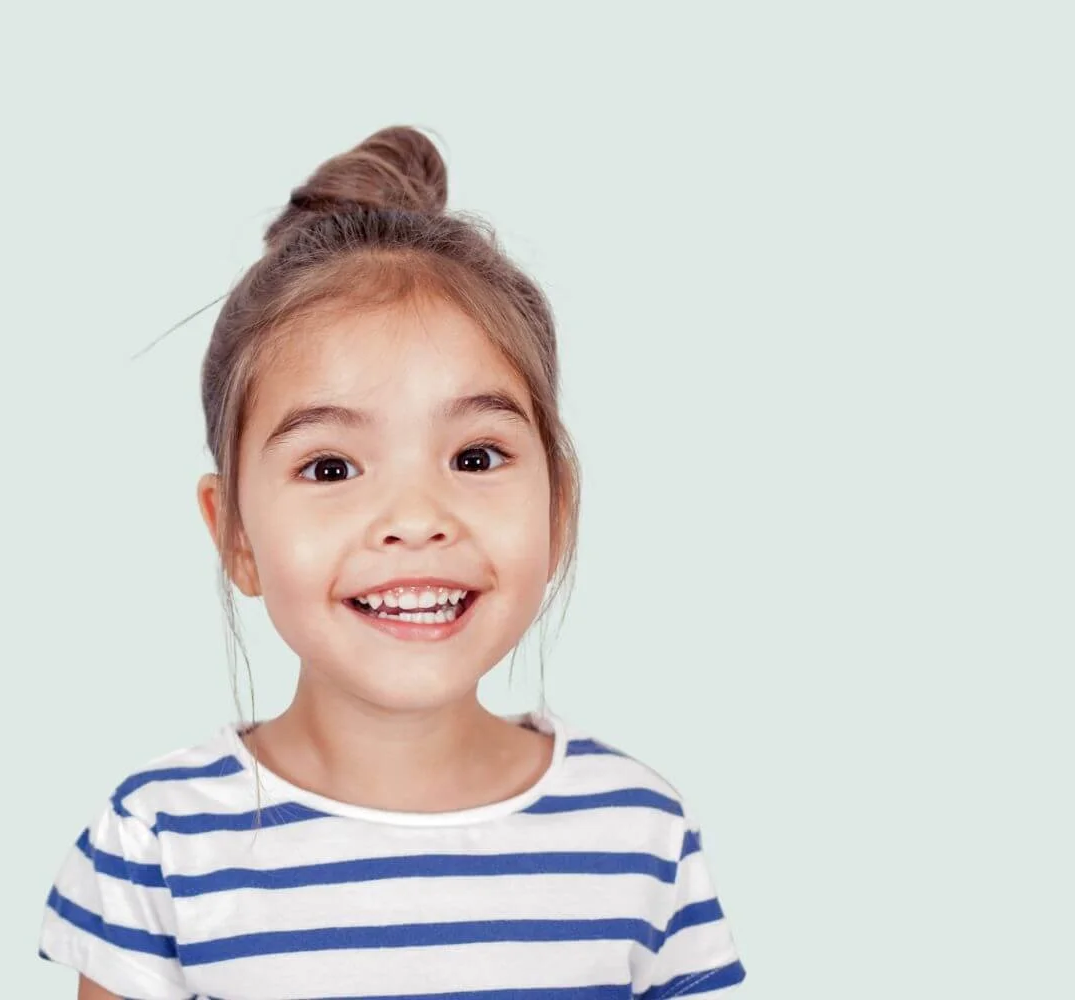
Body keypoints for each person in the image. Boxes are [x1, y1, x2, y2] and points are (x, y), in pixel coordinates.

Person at [37, 125, 747, 999]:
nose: (415, 520)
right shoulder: (158, 846)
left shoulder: (640, 836)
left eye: (476, 458)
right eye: (331, 467)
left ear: (558, 507)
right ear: (237, 537)